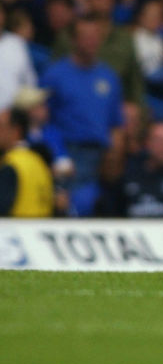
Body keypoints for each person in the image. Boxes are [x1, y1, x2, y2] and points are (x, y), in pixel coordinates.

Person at [42, 14, 124, 214]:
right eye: (85, 36)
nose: (91, 41)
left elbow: (115, 123)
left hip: (102, 158)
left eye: (95, 36)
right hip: (69, 154)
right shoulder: (55, 75)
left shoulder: (109, 77)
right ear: (73, 40)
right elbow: (43, 121)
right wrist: (59, 155)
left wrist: (114, 154)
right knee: (73, 208)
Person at [0, 108, 54, 217]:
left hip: (16, 225)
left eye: (1, 127)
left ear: (16, 131)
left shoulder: (11, 165)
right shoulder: (39, 161)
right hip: (43, 223)